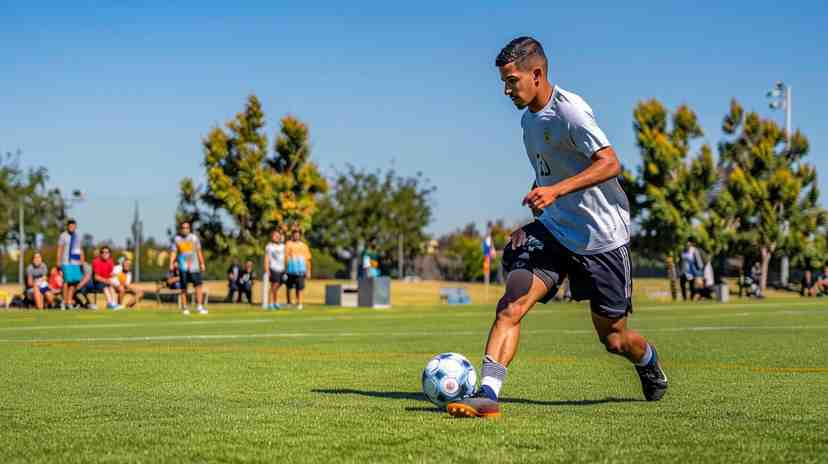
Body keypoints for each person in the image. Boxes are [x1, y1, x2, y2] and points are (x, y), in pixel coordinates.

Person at [447, 37, 667, 418]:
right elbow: (547, 176)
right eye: (503, 82)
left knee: (614, 339)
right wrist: (535, 216)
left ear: (537, 74)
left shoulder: (572, 112)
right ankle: (487, 394)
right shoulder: (527, 121)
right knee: (511, 305)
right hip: (555, 231)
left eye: (511, 81)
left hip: (602, 239)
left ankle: (647, 360)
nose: (506, 90)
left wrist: (555, 192)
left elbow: (610, 163)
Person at [170, 221, 207, 315]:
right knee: (183, 287)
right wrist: (171, 263)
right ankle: (184, 308)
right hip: (183, 266)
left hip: (194, 266)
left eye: (187, 227)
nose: (185, 229)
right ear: (180, 229)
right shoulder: (177, 239)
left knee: (198, 286)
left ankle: (199, 306)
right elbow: (174, 252)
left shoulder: (194, 238)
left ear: (189, 229)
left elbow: (199, 251)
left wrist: (202, 263)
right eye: (183, 228)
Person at [56, 219, 85, 309]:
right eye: (70, 226)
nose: (72, 227)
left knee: (74, 282)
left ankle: (69, 301)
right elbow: (60, 249)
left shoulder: (78, 236)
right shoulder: (63, 236)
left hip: (75, 262)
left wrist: (82, 260)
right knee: (66, 281)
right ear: (67, 226)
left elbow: (80, 249)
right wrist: (58, 261)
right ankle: (64, 302)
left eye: (74, 226)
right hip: (66, 262)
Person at [285, 228, 312, 310]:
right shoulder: (288, 244)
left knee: (299, 287)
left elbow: (307, 259)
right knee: (289, 287)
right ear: (292, 235)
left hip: (301, 270)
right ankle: (289, 302)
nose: (296, 235)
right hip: (290, 269)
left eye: (298, 234)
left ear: (300, 235)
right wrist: (285, 268)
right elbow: (285, 257)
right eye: (294, 234)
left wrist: (308, 270)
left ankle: (299, 303)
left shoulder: (304, 246)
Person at [92, 246, 120, 310]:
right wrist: (106, 280)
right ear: (100, 254)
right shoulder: (96, 261)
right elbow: (96, 277)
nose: (104, 254)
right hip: (96, 282)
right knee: (105, 286)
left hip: (107, 281)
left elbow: (111, 274)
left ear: (109, 254)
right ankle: (110, 303)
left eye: (106, 252)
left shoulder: (110, 261)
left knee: (111, 285)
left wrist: (114, 277)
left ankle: (113, 303)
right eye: (102, 252)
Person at [264, 229, 287, 310]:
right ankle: (270, 303)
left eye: (278, 236)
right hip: (274, 268)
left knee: (278, 286)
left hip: (282, 269)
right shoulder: (269, 246)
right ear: (272, 237)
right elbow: (266, 259)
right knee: (274, 286)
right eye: (275, 236)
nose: (276, 237)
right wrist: (267, 270)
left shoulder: (283, 246)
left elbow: (285, 258)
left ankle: (275, 302)